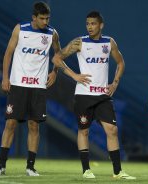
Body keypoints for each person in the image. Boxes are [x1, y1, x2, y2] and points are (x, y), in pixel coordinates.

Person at [0, 1, 88, 176]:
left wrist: (55, 72)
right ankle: (1, 165)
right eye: (42, 18)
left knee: (34, 126)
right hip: (18, 84)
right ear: (34, 17)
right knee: (10, 123)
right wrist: (5, 77)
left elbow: (58, 55)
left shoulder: (52, 33)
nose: (45, 21)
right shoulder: (20, 29)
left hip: (38, 87)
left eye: (48, 18)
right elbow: (8, 53)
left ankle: (30, 166)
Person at [53, 11, 136, 180]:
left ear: (101, 25)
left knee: (112, 130)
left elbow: (120, 62)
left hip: (103, 96)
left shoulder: (109, 42)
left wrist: (115, 82)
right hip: (84, 95)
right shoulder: (79, 42)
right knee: (84, 131)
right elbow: (57, 58)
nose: (90, 26)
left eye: (93, 23)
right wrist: (74, 75)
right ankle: (86, 170)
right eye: (87, 24)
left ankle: (118, 171)